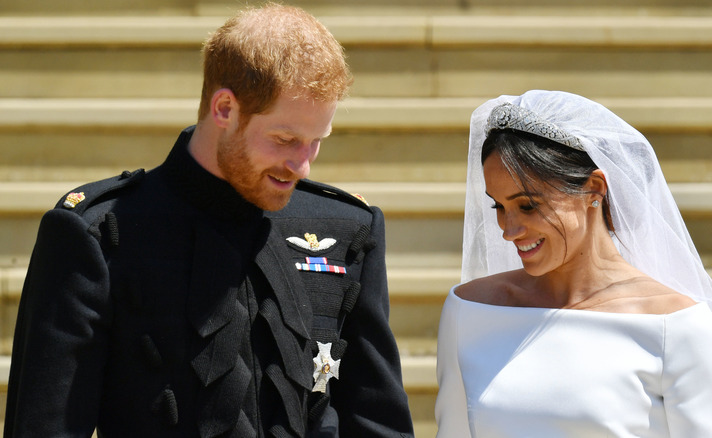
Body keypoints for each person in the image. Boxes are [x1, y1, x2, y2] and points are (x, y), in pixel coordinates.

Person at [4, 4, 415, 437]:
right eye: (285, 139)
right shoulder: (100, 235)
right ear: (224, 108)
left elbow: (379, 425)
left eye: (316, 142)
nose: (303, 165)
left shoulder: (347, 229)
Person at [435, 90, 712, 437]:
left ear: (594, 188)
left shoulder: (678, 327)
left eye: (528, 206)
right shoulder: (468, 311)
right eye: (499, 207)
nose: (508, 230)